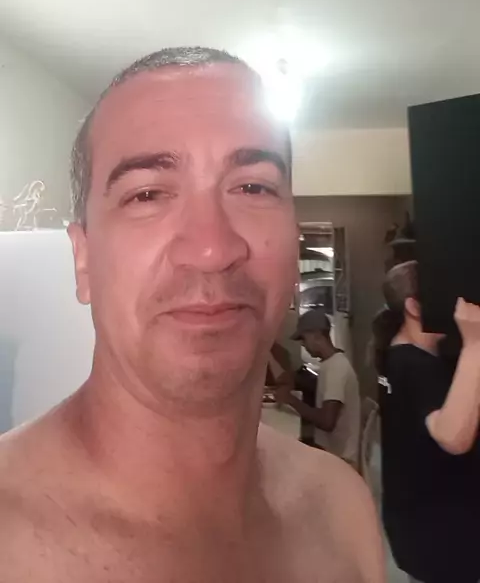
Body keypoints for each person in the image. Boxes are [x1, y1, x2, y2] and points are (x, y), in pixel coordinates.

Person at [0, 47, 384, 582]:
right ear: (83, 260)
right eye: (147, 194)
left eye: (252, 187)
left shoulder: (341, 507)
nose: (211, 249)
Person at [372, 260, 480, 583]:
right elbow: (452, 437)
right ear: (415, 307)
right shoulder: (415, 365)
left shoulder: (398, 354)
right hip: (440, 536)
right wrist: (475, 345)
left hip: (419, 526)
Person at [275, 307, 361, 467]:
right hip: (330, 450)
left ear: (316, 335)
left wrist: (291, 400)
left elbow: (327, 422)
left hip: (341, 460)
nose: (303, 345)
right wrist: (294, 377)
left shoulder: (337, 368)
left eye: (304, 339)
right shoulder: (331, 363)